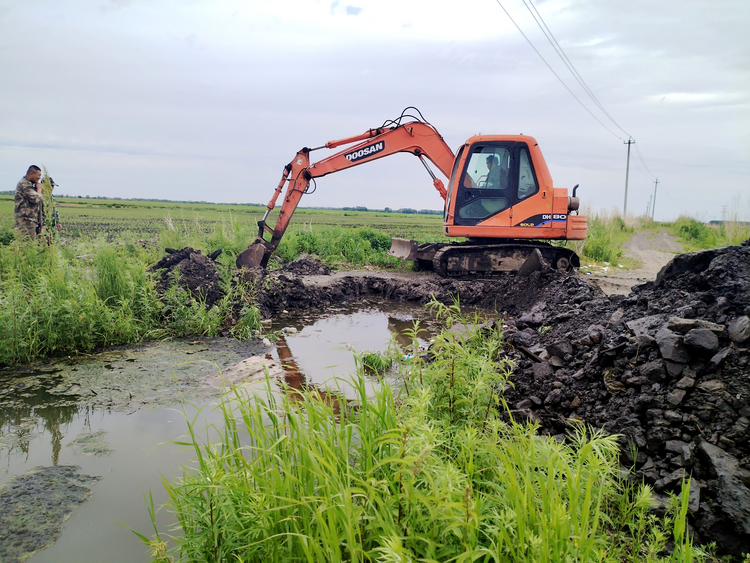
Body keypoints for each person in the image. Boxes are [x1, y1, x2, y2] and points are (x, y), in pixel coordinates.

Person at [14, 165, 44, 239]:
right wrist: (39, 190)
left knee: (29, 245)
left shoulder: (30, 184)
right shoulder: (24, 184)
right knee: (26, 244)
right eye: (38, 175)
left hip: (29, 220)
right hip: (25, 221)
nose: (39, 178)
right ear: (31, 174)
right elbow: (36, 199)